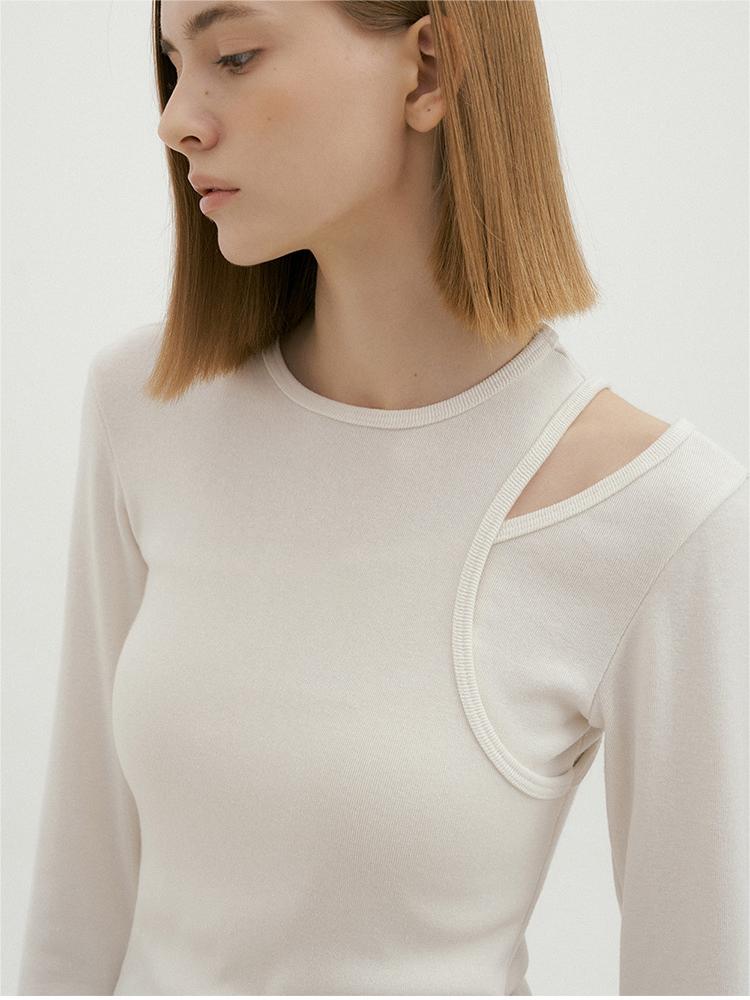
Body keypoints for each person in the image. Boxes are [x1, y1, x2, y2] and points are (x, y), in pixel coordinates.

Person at [17, 1, 748, 995]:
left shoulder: (658, 515)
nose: (176, 119)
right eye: (173, 64)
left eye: (235, 55)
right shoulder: (145, 408)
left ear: (429, 67)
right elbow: (76, 920)